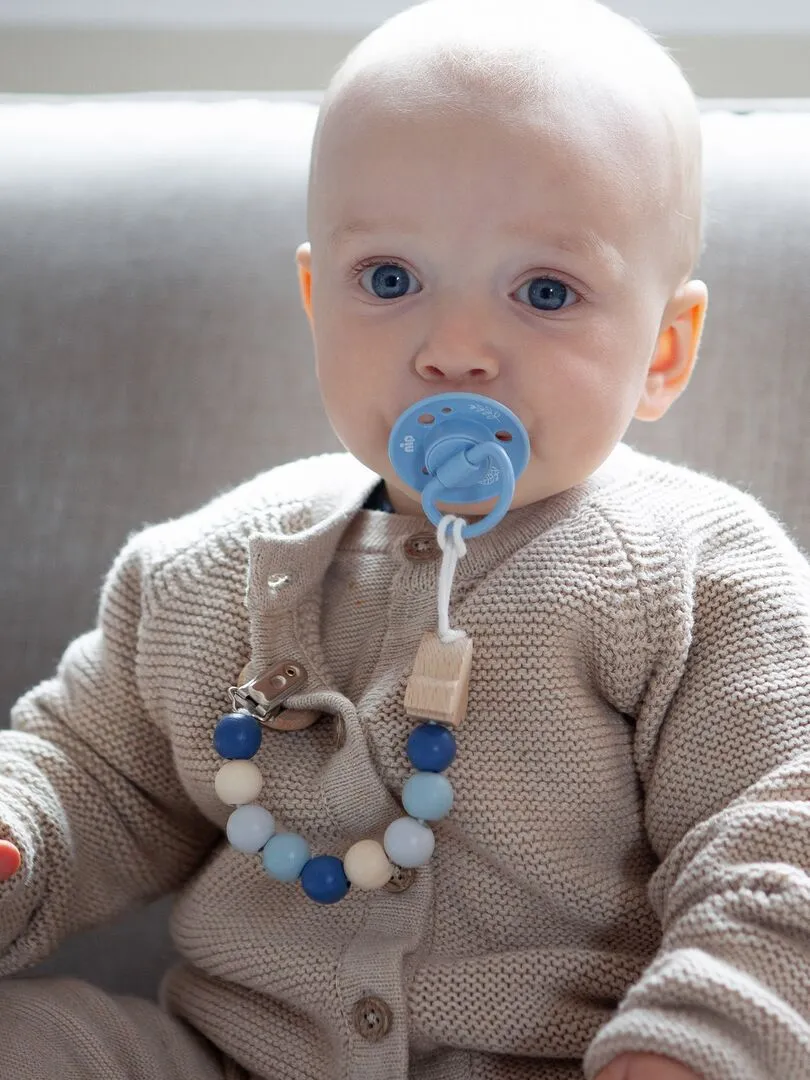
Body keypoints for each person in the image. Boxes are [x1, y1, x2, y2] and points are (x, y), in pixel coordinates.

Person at [1, 1, 808, 1078]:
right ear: (314, 302)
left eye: (545, 291)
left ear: (663, 351)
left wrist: (694, 1048)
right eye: (390, 280)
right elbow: (93, 772)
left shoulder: (701, 574)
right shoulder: (216, 567)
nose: (455, 348)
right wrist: (21, 834)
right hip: (226, 1056)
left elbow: (778, 838)